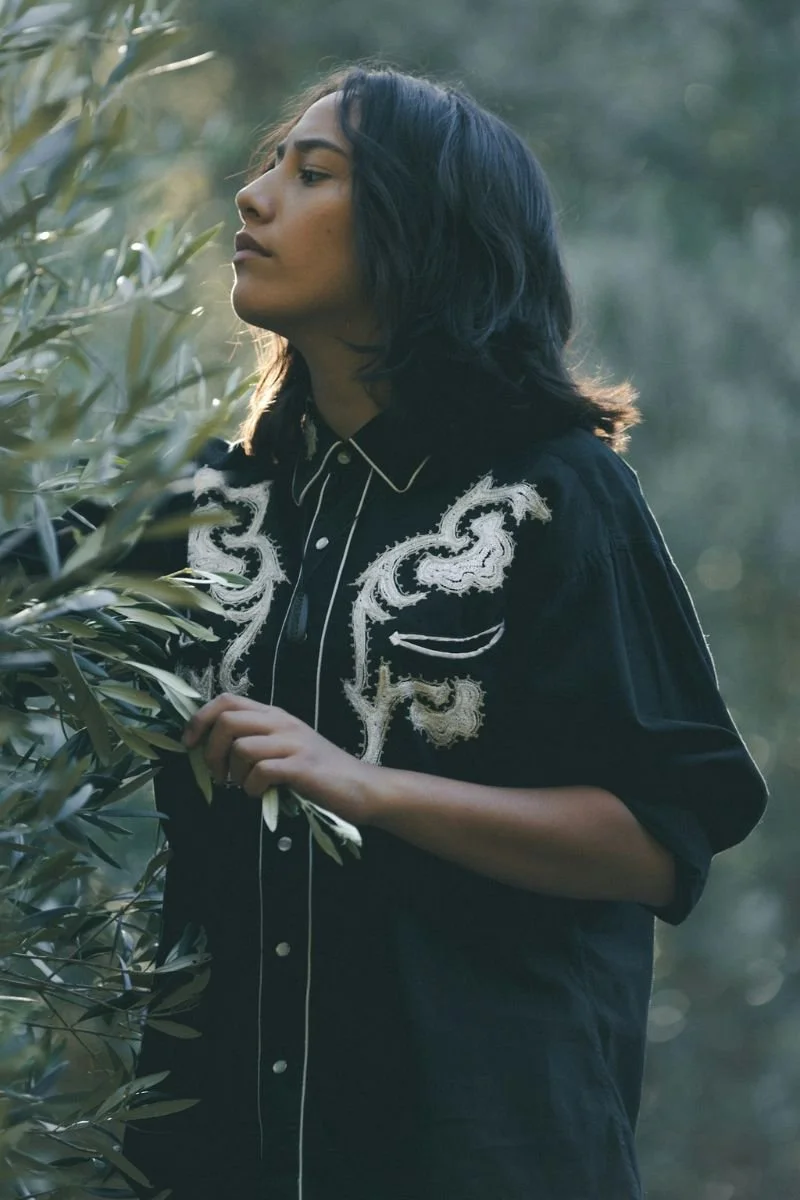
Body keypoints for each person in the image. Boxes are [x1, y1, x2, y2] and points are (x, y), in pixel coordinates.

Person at [90, 66, 767, 1199]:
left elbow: (660, 835)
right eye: (269, 165)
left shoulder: (553, 494)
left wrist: (363, 786)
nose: (253, 196)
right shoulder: (206, 509)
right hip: (212, 1157)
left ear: (421, 231)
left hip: (482, 1156)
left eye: (314, 174)